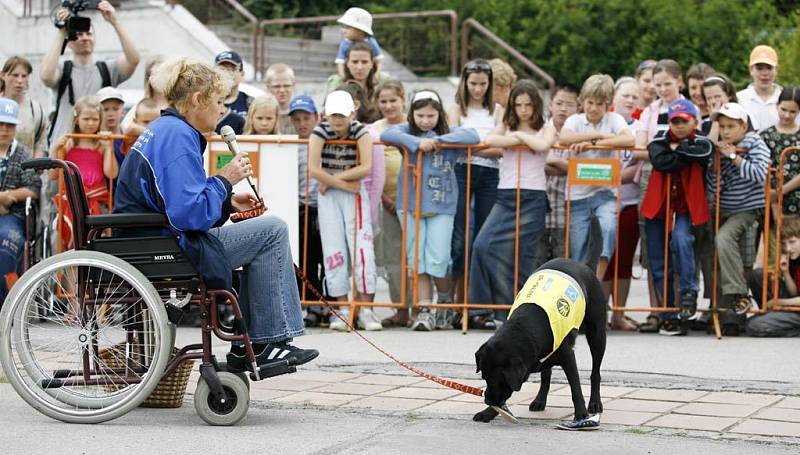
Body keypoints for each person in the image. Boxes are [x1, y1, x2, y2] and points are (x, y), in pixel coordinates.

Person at [113, 57, 317, 370]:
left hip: (152, 237)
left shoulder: (166, 129)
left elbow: (180, 201)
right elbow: (188, 214)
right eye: (219, 101)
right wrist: (225, 181)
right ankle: (266, 341)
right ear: (197, 100)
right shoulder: (178, 135)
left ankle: (255, 341)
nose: (223, 110)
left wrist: (226, 199)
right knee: (272, 231)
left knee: (268, 231)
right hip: (164, 244)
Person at [381, 90, 480, 331]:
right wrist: (417, 142)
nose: (425, 120)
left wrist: (438, 141)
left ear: (439, 114)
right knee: (418, 260)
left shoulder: (448, 135)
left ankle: (444, 304)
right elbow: (386, 133)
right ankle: (424, 309)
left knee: (439, 258)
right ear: (412, 114)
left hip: (441, 206)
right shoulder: (406, 133)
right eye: (420, 115)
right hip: (411, 206)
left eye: (431, 115)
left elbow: (473, 135)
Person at [469, 80, 556, 325]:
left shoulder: (545, 125)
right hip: (506, 194)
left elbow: (543, 144)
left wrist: (517, 137)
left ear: (536, 105)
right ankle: (483, 309)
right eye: (518, 105)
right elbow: (490, 140)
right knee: (482, 246)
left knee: (524, 257)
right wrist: (518, 136)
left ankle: (519, 313)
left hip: (533, 195)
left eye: (528, 105)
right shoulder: (506, 124)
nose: (524, 110)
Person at [308, 90, 380, 331]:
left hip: (349, 194)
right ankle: (342, 309)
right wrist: (342, 183)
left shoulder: (360, 130)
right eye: (332, 115)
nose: (337, 120)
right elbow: (313, 169)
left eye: (341, 115)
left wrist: (332, 180)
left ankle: (366, 310)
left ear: (351, 112)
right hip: (334, 192)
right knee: (333, 248)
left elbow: (366, 166)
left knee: (362, 249)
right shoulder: (320, 130)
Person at [641, 100, 713, 336]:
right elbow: (660, 161)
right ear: (669, 122)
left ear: (694, 120)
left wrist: (678, 152)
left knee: (682, 241)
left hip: (685, 208)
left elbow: (703, 153)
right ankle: (668, 313)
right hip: (659, 206)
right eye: (675, 121)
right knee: (659, 261)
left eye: (685, 120)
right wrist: (684, 154)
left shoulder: (701, 140)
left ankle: (689, 293)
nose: (680, 125)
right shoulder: (659, 141)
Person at [559, 74, 634, 280]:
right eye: (590, 103)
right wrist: (597, 137)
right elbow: (564, 137)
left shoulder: (614, 119)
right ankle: (582, 289)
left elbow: (629, 139)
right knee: (579, 247)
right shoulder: (575, 120)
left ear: (608, 104)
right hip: (577, 196)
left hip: (605, 192)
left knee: (608, 228)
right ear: (582, 101)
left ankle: (595, 281)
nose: (593, 108)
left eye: (599, 104)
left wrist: (597, 140)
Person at [705, 102, 770, 336]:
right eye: (722, 126)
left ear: (743, 125)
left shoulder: (753, 142)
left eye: (731, 126)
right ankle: (728, 313)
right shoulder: (717, 146)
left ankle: (740, 295)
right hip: (722, 210)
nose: (726, 131)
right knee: (723, 256)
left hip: (747, 209)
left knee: (724, 240)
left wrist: (733, 156)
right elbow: (713, 182)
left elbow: (762, 173)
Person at [41, 0, 140, 144]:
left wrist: (115, 21)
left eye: (89, 33)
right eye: (78, 34)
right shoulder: (63, 69)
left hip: (99, 148)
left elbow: (134, 60)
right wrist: (61, 31)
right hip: (64, 147)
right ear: (69, 42)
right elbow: (45, 76)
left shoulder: (106, 68)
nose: (85, 38)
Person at [448, 59, 503, 302]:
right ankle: (454, 299)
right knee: (459, 237)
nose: (478, 89)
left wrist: (471, 148)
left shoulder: (498, 110)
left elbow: (500, 147)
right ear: (465, 83)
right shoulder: (457, 108)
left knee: (483, 237)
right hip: (461, 171)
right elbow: (453, 143)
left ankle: (477, 301)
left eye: (483, 84)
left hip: (490, 173)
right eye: (473, 83)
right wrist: (482, 146)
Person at [604, 77, 642, 331]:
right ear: (614, 97)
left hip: (629, 200)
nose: (630, 100)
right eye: (625, 95)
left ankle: (619, 313)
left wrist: (607, 174)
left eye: (634, 97)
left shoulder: (640, 128)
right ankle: (599, 312)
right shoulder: (604, 125)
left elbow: (637, 166)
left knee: (624, 260)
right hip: (603, 199)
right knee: (605, 257)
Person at [287, 95, 329, 327]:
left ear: (316, 117)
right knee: (307, 259)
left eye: (307, 118)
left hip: (323, 204)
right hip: (301, 207)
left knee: (328, 257)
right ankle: (311, 303)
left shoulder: (324, 140)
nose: (302, 123)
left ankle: (329, 302)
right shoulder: (292, 144)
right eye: (297, 119)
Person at [371, 80, 409, 325]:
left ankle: (421, 308)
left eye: (393, 100)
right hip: (386, 202)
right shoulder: (375, 129)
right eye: (383, 101)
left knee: (416, 257)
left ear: (403, 99)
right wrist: (384, 199)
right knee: (394, 257)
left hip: (414, 201)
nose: (388, 106)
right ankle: (401, 308)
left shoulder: (413, 126)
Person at [532, 84, 580, 270]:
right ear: (550, 105)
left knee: (563, 263)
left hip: (566, 207)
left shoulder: (579, 133)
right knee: (537, 262)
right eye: (559, 103)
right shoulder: (539, 130)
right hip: (539, 205)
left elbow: (580, 169)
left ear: (578, 108)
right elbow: (533, 163)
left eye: (569, 104)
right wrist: (562, 166)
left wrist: (550, 159)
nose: (563, 109)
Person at [0, 98, 41, 305]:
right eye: (0, 124)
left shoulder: (22, 153)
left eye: (9, 125)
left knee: (6, 241)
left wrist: (9, 196)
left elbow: (33, 189)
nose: (4, 130)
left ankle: (7, 302)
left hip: (13, 216)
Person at [746, 217, 800, 337]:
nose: (788, 248)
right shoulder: (794, 258)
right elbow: (795, 292)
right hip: (795, 303)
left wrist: (778, 302)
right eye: (784, 243)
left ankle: (772, 319)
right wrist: (785, 272)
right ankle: (771, 317)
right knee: (757, 275)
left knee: (753, 325)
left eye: (792, 242)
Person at [761, 86, 800, 216]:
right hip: (772, 201)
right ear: (777, 105)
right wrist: (772, 197)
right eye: (783, 109)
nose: (787, 115)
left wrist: (780, 191)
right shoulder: (766, 135)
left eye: (793, 112)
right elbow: (762, 170)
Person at [0, 56, 48, 158]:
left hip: (25, 170)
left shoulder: (36, 110)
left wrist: (32, 170)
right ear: (3, 75)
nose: (20, 80)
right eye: (15, 75)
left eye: (24, 76)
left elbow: (40, 145)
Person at [737, 45, 781, 132]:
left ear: (776, 70)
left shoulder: (786, 99)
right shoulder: (739, 99)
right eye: (759, 68)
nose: (764, 73)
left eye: (769, 68)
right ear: (751, 70)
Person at [335, 7, 384, 80]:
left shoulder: (371, 42)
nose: (343, 31)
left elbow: (378, 61)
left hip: (369, 75)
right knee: (335, 80)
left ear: (360, 30)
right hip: (349, 74)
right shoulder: (345, 44)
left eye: (347, 27)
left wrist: (376, 74)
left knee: (384, 77)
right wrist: (343, 77)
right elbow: (340, 62)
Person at [214, 51, 250, 135]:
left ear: (242, 73)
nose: (227, 73)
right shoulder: (205, 103)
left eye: (232, 69)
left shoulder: (250, 103)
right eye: (222, 69)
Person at [96, 86, 130, 165]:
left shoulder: (129, 136)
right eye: (105, 109)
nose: (111, 114)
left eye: (115, 109)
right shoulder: (91, 137)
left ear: (123, 111)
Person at [265, 63, 296, 134]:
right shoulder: (260, 114)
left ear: (293, 86)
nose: (282, 90)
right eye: (277, 86)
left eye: (286, 86)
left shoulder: (301, 113)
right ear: (268, 87)